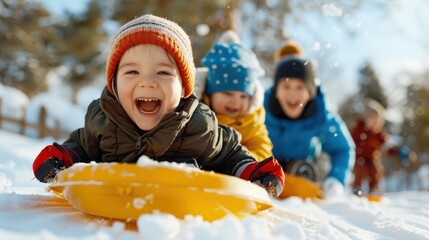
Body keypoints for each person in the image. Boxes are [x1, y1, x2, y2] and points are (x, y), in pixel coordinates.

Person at [32, 14, 284, 198]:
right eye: (132, 72)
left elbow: (230, 155)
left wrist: (252, 172)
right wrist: (62, 158)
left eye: (163, 73)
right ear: (114, 86)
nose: (148, 82)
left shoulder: (200, 125)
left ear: (185, 88)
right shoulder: (103, 119)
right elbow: (80, 146)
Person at [264, 56, 355, 198]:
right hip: (266, 170)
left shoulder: (322, 116)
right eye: (286, 86)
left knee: (303, 171)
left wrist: (336, 179)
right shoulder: (261, 111)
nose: (292, 94)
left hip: (302, 172)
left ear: (310, 93)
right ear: (276, 91)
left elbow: (342, 148)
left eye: (300, 87)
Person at [195, 30, 273, 161]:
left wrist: (243, 160)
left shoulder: (252, 122)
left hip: (236, 176)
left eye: (243, 96)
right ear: (210, 92)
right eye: (228, 93)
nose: (236, 103)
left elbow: (263, 151)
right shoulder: (195, 114)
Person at [351, 99, 388, 195]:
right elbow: (350, 141)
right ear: (366, 119)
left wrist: (398, 151)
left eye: (378, 121)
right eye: (373, 120)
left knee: (375, 171)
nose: (376, 123)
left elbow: (387, 145)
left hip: (372, 158)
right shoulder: (359, 129)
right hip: (359, 157)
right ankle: (356, 189)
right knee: (360, 169)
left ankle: (374, 189)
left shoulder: (378, 132)